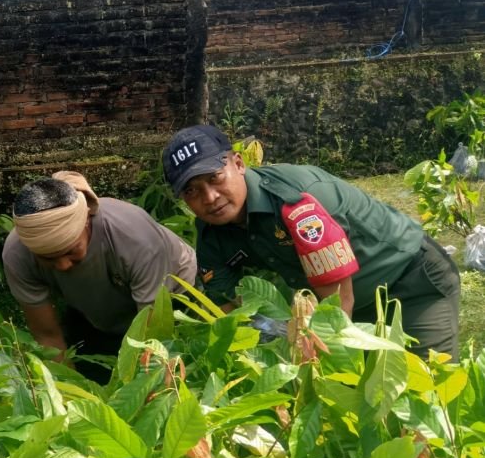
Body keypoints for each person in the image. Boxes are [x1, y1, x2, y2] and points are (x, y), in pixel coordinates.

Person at [162, 124, 461, 359]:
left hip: (410, 281)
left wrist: (309, 356)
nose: (209, 198)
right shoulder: (212, 232)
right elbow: (225, 307)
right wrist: (267, 333)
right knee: (363, 411)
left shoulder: (295, 201)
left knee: (423, 397)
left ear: (238, 164)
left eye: (215, 178)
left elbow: (336, 304)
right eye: (192, 191)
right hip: (355, 305)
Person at [2, 171, 197, 382]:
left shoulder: (134, 238)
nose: (63, 265)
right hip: (98, 311)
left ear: (86, 221)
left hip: (176, 299)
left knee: (178, 374)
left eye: (70, 251)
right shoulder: (17, 255)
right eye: (47, 259)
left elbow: (152, 338)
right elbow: (47, 336)